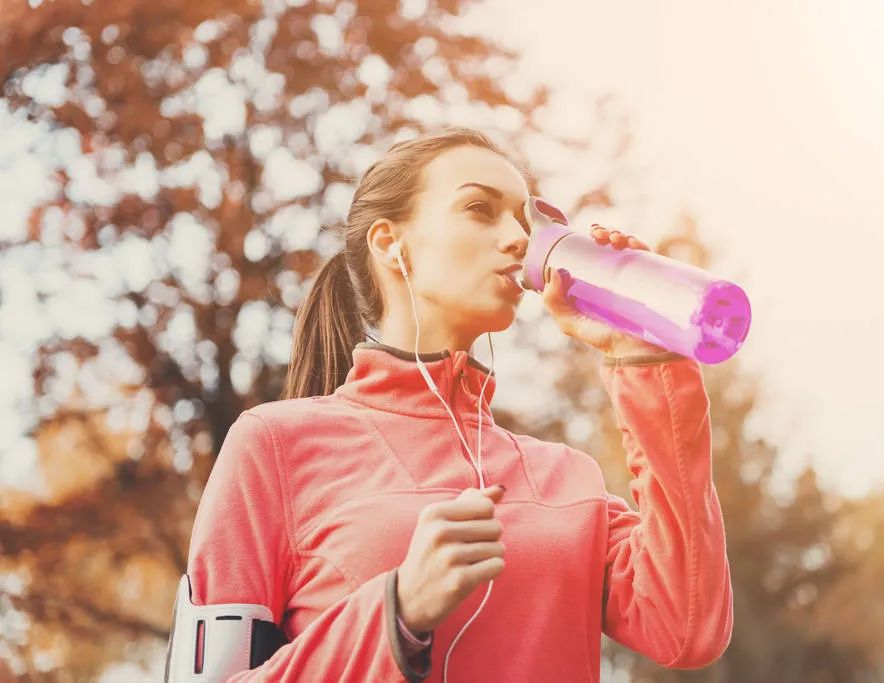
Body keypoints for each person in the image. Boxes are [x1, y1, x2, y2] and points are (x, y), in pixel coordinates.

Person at [163, 126, 733, 682]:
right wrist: (396, 610)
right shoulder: (276, 445)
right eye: (480, 210)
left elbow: (686, 629)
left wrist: (645, 361)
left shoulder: (569, 479)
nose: (517, 238)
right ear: (391, 244)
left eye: (524, 220)